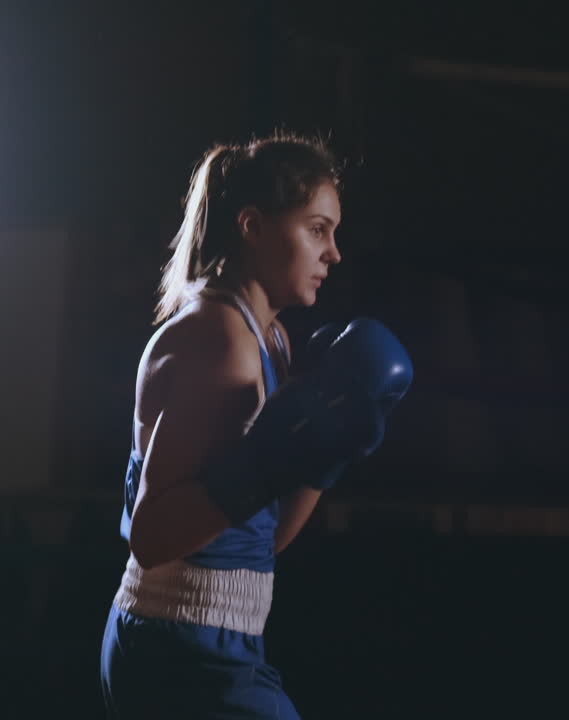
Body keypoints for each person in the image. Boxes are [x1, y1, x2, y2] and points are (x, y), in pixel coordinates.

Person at [99, 132, 413, 719]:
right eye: (317, 229)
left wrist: (323, 458)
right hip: (177, 645)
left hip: (221, 642)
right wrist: (270, 462)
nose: (334, 253)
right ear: (253, 226)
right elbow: (153, 536)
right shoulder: (217, 337)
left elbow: (260, 540)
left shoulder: (269, 337)